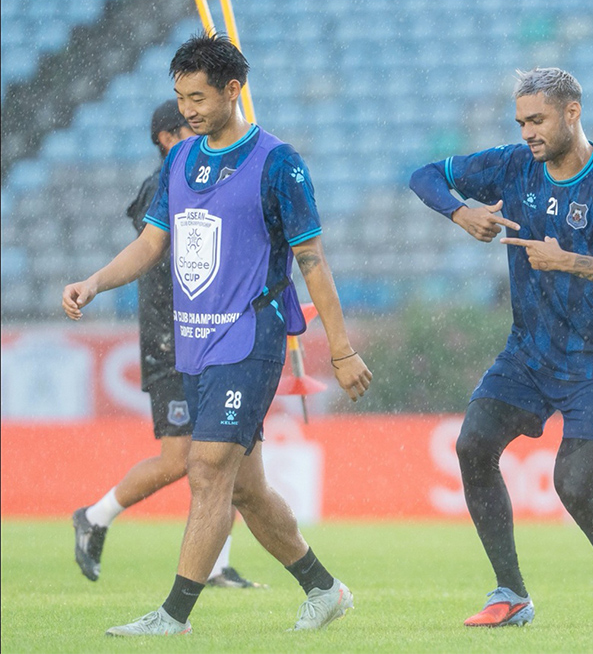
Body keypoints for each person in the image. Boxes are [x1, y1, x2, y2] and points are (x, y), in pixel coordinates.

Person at [62, 33, 372, 636]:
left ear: (234, 90)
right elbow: (153, 244)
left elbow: (313, 262)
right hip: (194, 340)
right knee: (248, 490)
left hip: (251, 336)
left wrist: (340, 349)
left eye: (198, 96)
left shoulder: (279, 163)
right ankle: (323, 589)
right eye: (180, 97)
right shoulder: (180, 161)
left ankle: (172, 617)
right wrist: (95, 281)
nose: (188, 110)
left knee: (205, 469)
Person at [409, 67, 593, 628]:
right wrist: (461, 211)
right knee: (473, 446)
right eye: (521, 121)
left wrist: (566, 259)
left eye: (537, 119)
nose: (527, 132)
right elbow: (424, 175)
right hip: (528, 352)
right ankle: (511, 593)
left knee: (573, 486)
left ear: (572, 112)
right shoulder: (512, 164)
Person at [71, 99, 263, 591]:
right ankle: (95, 515)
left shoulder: (208, 175)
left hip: (211, 334)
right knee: (182, 458)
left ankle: (215, 566)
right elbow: (165, 247)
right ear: (165, 137)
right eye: (186, 125)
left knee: (229, 453)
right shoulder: (165, 183)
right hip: (172, 339)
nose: (200, 131)